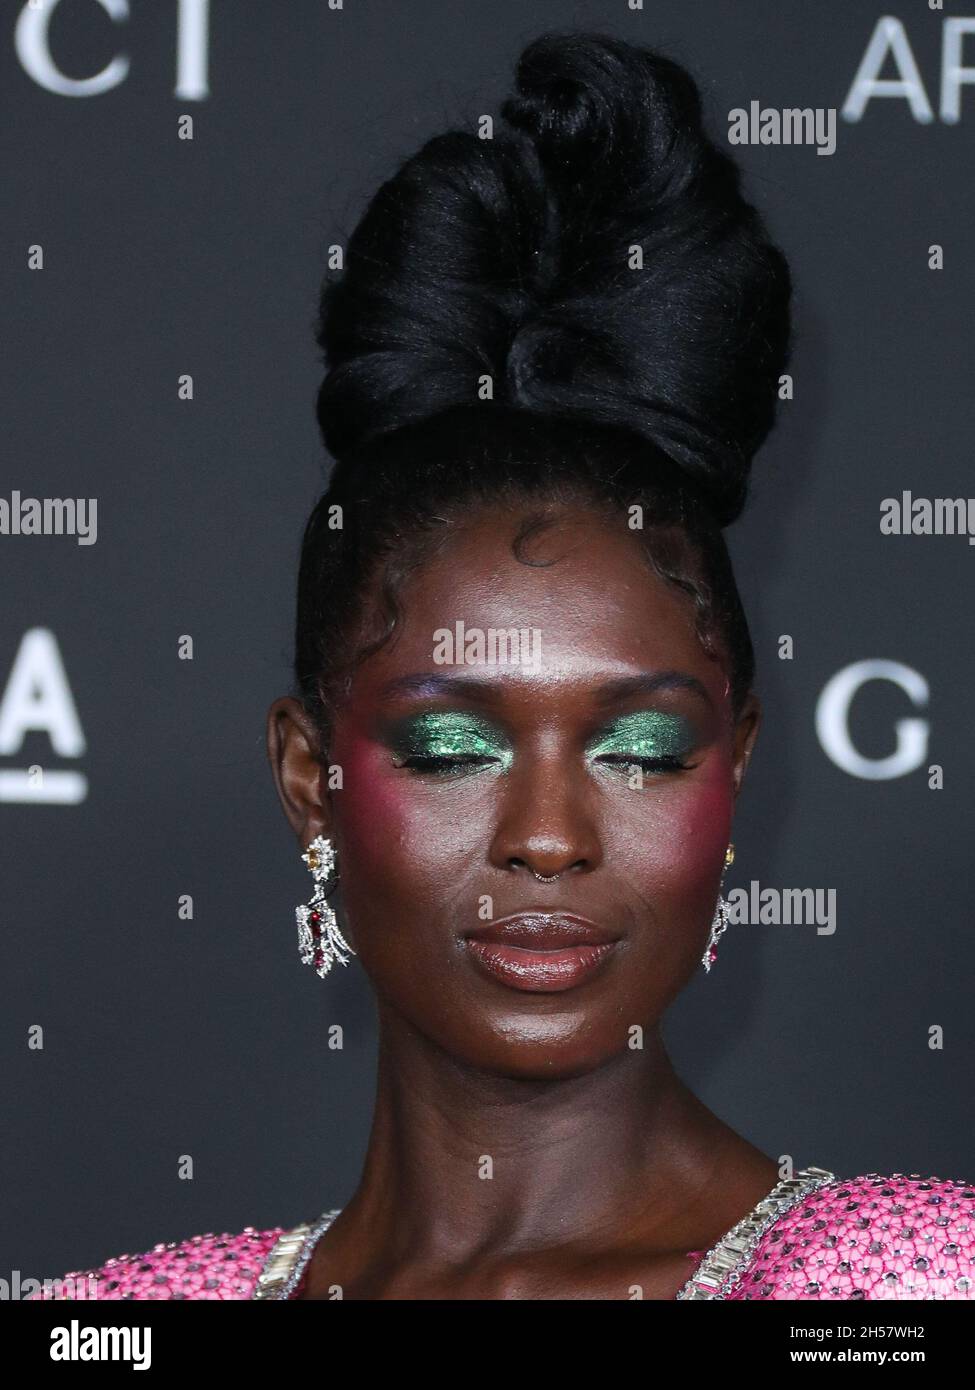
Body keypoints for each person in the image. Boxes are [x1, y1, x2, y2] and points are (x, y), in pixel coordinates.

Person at [28, 30, 974, 1302]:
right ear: (312, 780)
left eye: (641, 749)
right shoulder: (102, 1327)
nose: (548, 836)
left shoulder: (912, 1291)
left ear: (735, 770)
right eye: (448, 746)